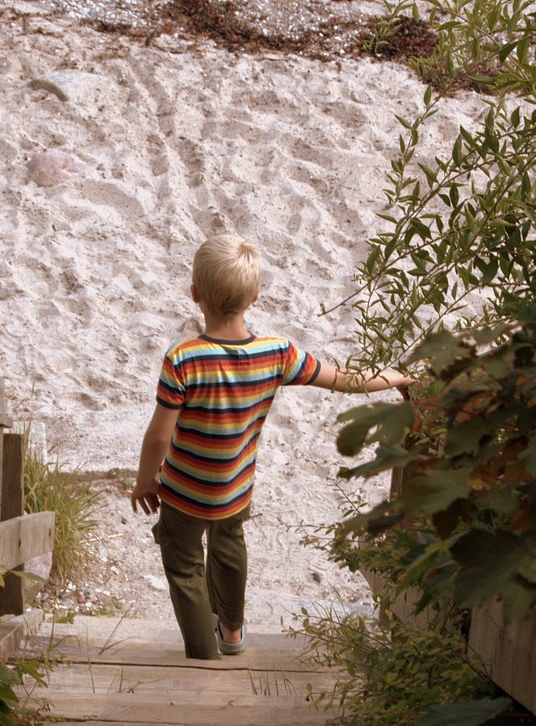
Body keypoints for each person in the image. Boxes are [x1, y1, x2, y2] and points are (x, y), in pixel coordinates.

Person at [130, 235, 412, 660]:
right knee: (229, 549)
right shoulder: (277, 353)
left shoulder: (183, 358)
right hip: (234, 490)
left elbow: (158, 436)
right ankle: (232, 631)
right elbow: (345, 380)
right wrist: (397, 377)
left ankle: (204, 656)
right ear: (255, 296)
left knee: (183, 564)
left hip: (184, 492)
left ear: (195, 295)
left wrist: (144, 481)